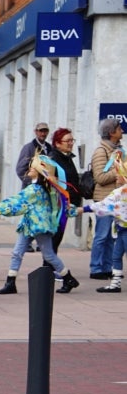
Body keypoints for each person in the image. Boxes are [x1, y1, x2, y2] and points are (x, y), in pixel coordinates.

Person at [0, 155, 79, 294]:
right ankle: (10, 282)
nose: (29, 169)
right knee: (18, 252)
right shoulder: (46, 189)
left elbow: (17, 202)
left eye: (33, 167)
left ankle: (68, 278)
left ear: (39, 172)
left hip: (39, 227)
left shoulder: (34, 190)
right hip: (30, 224)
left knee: (47, 255)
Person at [89, 118, 126, 280]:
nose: (122, 131)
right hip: (104, 199)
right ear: (111, 133)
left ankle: (107, 267)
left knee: (112, 237)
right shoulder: (101, 151)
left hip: (118, 200)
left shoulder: (120, 150)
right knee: (102, 235)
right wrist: (119, 170)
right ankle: (96, 268)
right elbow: (100, 177)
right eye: (119, 129)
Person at [44, 127, 83, 252]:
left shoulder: (67, 158)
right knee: (53, 240)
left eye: (72, 140)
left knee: (56, 240)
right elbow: (49, 182)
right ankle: (49, 263)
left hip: (66, 205)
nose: (71, 143)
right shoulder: (53, 159)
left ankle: (50, 262)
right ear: (57, 143)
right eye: (68, 141)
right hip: (57, 206)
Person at [15, 122, 52, 188]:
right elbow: (21, 170)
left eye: (45, 131)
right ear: (36, 132)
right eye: (41, 131)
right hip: (31, 189)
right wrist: (33, 181)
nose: (43, 134)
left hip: (47, 189)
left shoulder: (50, 148)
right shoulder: (29, 148)